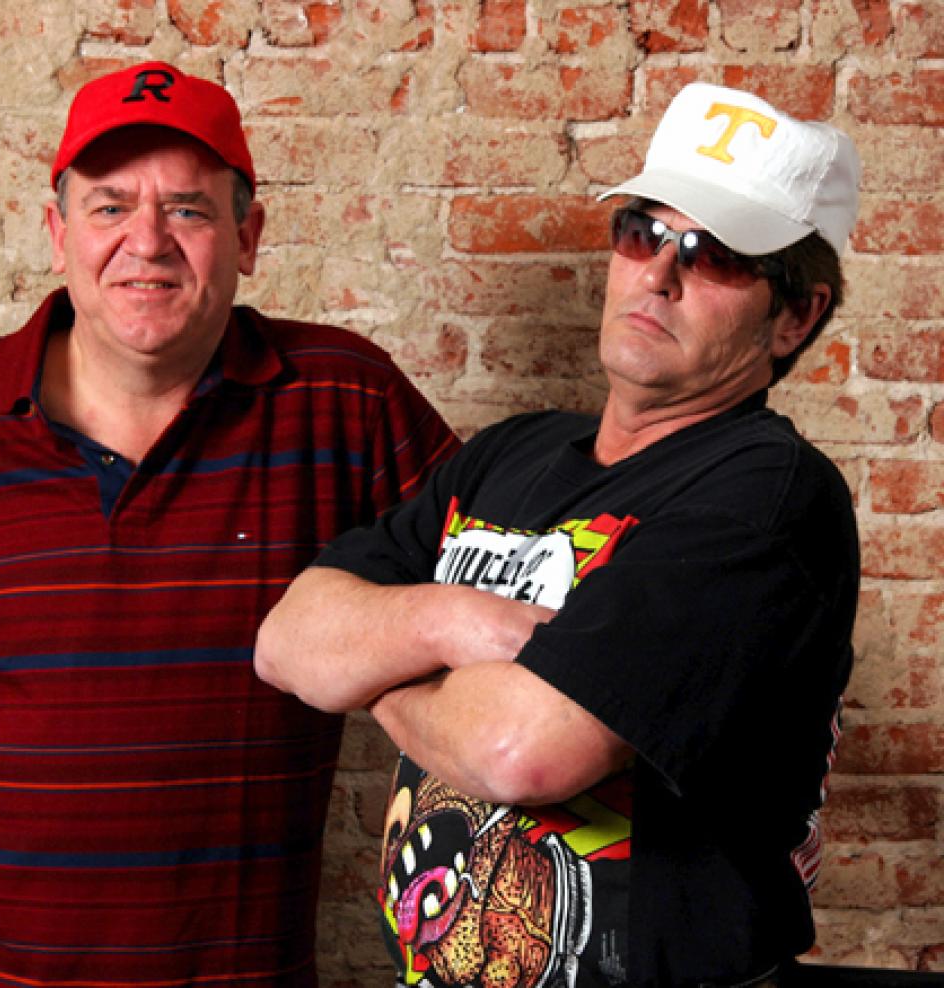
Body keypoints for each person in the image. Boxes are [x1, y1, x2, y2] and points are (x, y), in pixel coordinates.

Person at [0, 61, 458, 988]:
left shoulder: (345, 405)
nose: (147, 242)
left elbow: (490, 580)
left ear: (247, 237)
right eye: (110, 207)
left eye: (188, 209)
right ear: (58, 232)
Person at [256, 82, 862, 988]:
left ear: (796, 315)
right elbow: (286, 642)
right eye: (642, 232)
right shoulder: (512, 455)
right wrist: (455, 622)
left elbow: (522, 750)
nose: (659, 273)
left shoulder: (767, 497)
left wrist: (370, 671)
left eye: (715, 254)